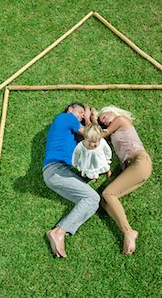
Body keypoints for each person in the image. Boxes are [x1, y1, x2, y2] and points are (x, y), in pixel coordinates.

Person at [42, 102, 100, 258]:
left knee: (92, 202)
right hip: (56, 170)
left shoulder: (72, 138)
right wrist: (89, 118)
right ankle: (59, 231)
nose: (81, 115)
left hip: (58, 173)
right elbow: (93, 135)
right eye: (80, 112)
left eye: (82, 114)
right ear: (70, 109)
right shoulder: (66, 117)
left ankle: (60, 232)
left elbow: (91, 145)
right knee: (92, 198)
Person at [95, 105, 152, 254]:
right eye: (102, 121)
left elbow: (101, 134)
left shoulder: (121, 119)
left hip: (139, 162)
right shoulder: (114, 129)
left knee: (108, 194)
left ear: (111, 110)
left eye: (104, 117)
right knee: (103, 200)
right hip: (132, 168)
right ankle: (127, 231)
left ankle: (128, 232)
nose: (105, 121)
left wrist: (92, 119)